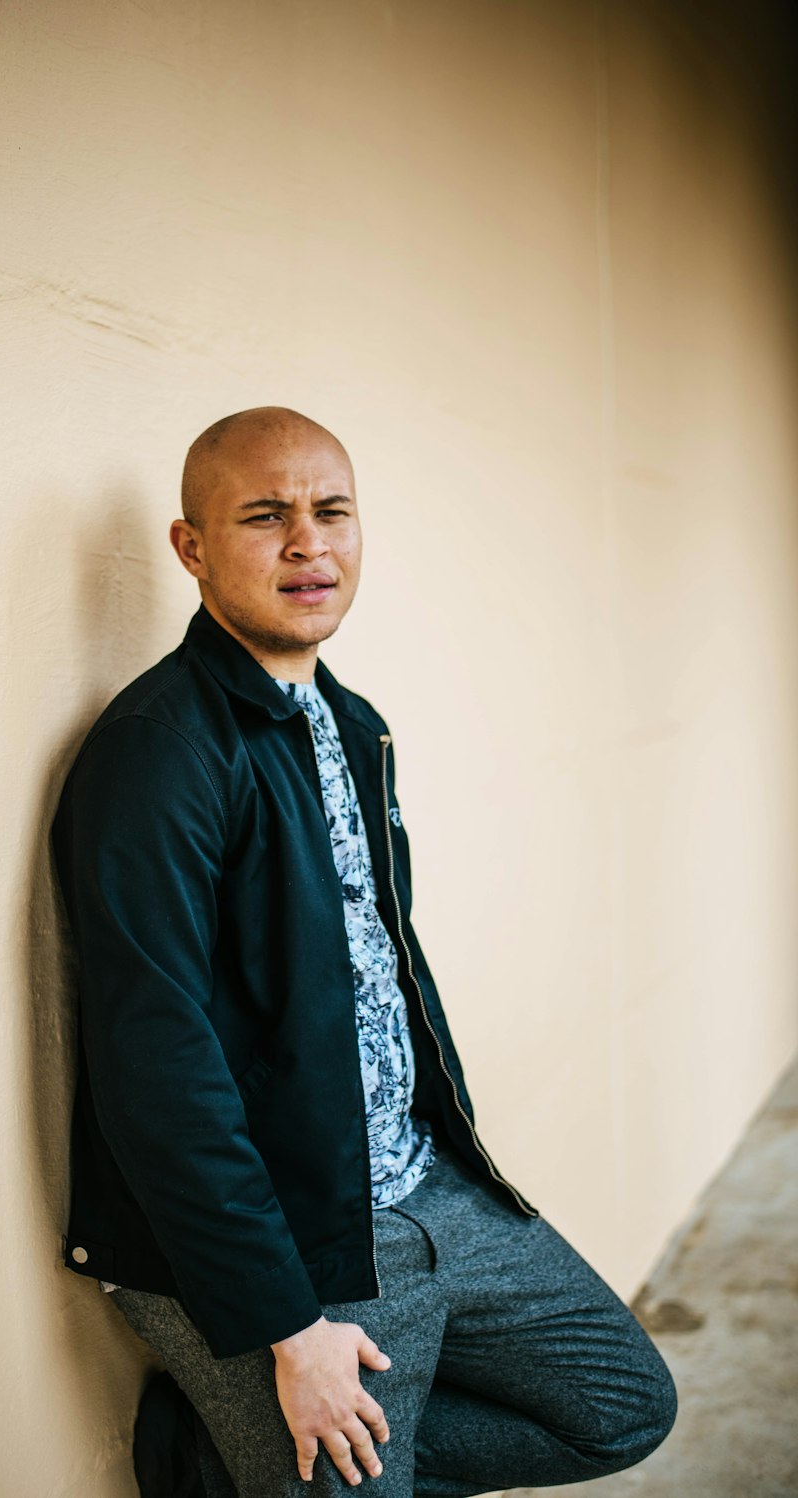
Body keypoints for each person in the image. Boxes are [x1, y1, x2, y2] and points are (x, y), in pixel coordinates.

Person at [50, 407, 677, 1496]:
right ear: (191, 548)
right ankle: (245, 1442)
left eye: (330, 510)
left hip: (415, 1188)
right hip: (284, 1240)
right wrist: (291, 1327)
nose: (309, 542)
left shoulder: (348, 722)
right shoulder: (158, 754)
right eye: (264, 515)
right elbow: (159, 1074)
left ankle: (215, 1457)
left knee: (622, 1407)